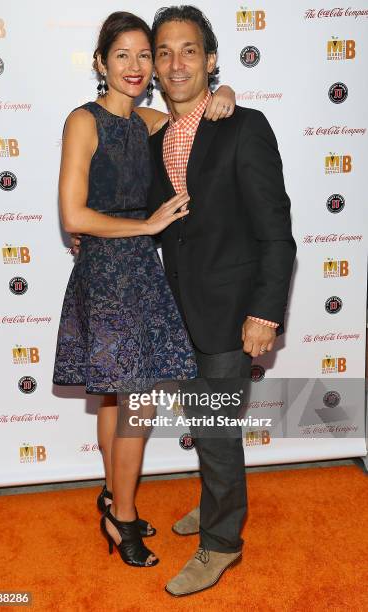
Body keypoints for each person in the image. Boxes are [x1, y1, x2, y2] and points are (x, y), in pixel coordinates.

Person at [52, 11, 236, 568]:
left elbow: (197, 115)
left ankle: (114, 497)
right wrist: (147, 226)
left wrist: (224, 88)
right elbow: (73, 214)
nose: (135, 67)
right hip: (108, 276)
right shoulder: (84, 121)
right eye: (122, 56)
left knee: (116, 395)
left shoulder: (148, 121)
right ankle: (123, 516)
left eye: (142, 56)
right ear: (100, 63)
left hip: (141, 274)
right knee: (133, 401)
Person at [146, 5, 297, 596]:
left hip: (235, 311)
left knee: (215, 428)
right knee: (206, 423)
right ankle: (214, 509)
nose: (175, 61)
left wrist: (264, 312)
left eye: (189, 50)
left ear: (210, 61)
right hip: (180, 309)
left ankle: (221, 543)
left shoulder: (245, 125)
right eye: (164, 52)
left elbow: (276, 229)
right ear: (155, 67)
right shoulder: (157, 132)